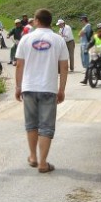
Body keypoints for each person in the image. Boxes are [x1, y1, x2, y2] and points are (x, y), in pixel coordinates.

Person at [15, 9, 69, 174]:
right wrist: (62, 89)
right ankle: (43, 163)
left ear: (37, 20)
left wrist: (18, 87)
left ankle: (33, 157)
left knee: (31, 124)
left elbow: (19, 65)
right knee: (46, 126)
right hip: (48, 87)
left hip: (29, 87)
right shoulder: (58, 40)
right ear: (50, 22)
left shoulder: (26, 38)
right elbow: (64, 66)